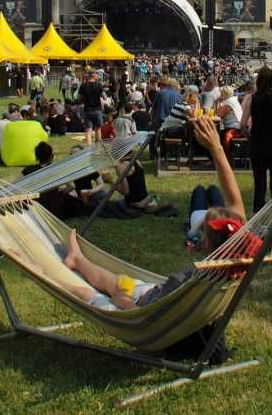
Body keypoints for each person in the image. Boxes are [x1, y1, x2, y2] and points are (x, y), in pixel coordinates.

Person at [53, 116, 248, 311]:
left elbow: (146, 318)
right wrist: (217, 149)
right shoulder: (231, 268)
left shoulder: (193, 287)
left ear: (205, 242)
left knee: (94, 292)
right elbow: (234, 203)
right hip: (157, 292)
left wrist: (123, 302)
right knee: (119, 280)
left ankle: (51, 273)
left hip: (142, 307)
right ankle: (77, 259)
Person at [241, 66, 272, 213]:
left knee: (259, 183)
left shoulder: (251, 99)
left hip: (258, 143)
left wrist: (250, 138)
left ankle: (258, 214)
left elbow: (242, 124)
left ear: (258, 80)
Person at [79, 70, 104, 146]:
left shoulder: (83, 85)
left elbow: (80, 98)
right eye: (97, 74)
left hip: (87, 110)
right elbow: (103, 96)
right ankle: (97, 147)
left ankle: (89, 148)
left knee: (88, 130)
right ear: (93, 75)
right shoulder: (99, 85)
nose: (98, 76)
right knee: (98, 129)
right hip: (97, 110)